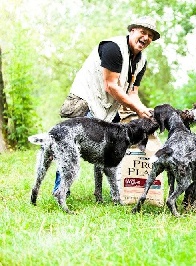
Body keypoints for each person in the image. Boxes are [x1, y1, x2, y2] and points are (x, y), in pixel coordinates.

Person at [54, 15, 161, 195]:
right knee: (72, 146)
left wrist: (144, 111)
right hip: (86, 100)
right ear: (132, 30)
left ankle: (107, 193)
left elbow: (132, 93)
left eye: (150, 35)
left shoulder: (141, 61)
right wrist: (139, 110)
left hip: (107, 108)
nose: (146, 38)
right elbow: (110, 85)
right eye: (143, 32)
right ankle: (61, 190)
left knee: (108, 150)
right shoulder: (113, 48)